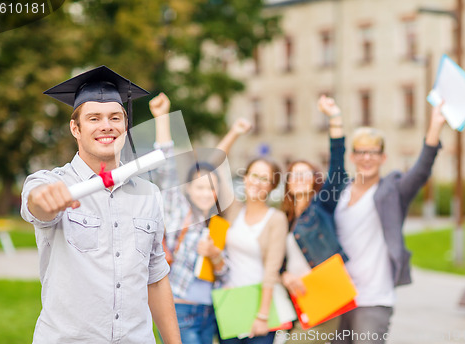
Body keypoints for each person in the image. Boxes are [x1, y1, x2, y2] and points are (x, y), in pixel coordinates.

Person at [20, 66, 181, 344]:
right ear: (76, 128)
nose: (106, 125)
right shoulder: (52, 183)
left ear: (125, 125)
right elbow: (37, 204)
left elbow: (155, 277)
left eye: (115, 117)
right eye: (94, 118)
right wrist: (45, 200)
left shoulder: (148, 194)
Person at [332, 102, 447, 344]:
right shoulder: (339, 191)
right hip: (337, 296)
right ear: (352, 156)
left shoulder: (392, 190)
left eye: (373, 152)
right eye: (361, 151)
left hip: (374, 298)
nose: (367, 158)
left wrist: (435, 126)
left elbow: (420, 172)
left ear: (383, 157)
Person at [149, 92, 253, 344]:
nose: (206, 193)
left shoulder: (218, 221)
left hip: (210, 312)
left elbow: (224, 272)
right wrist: (162, 117)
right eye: (200, 187)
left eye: (211, 187)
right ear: (188, 188)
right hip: (180, 309)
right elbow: (165, 166)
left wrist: (215, 255)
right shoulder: (177, 208)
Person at [280, 95, 348, 344]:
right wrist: (284, 275)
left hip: (325, 295)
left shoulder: (322, 208)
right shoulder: (285, 219)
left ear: (314, 181)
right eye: (293, 174)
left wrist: (334, 118)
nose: (298, 178)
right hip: (293, 301)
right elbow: (278, 261)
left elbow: (338, 169)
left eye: (304, 174)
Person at [220, 156, 288, 344]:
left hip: (260, 307)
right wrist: (235, 132)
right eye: (253, 175)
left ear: (272, 186)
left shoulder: (276, 219)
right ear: (245, 177)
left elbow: (271, 270)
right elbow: (215, 166)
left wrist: (262, 315)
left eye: (264, 178)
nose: (257, 182)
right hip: (231, 303)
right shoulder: (234, 209)